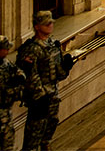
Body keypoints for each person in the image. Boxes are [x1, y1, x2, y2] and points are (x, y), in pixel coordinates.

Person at [15, 15, 72, 151]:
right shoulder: (31, 48)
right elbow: (31, 74)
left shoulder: (53, 45)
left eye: (51, 23)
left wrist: (65, 67)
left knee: (51, 123)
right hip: (39, 98)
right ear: (37, 27)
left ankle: (46, 145)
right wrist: (39, 95)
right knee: (34, 132)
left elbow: (58, 73)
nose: (50, 26)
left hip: (52, 93)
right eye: (46, 24)